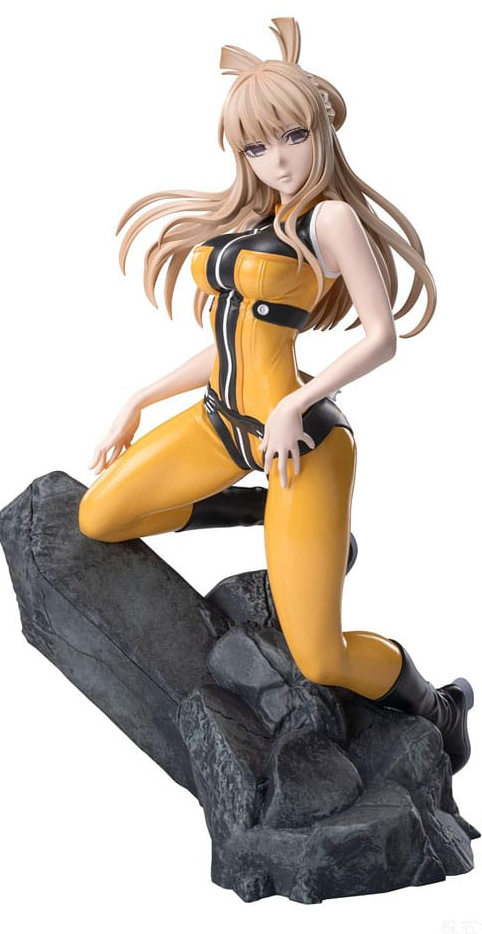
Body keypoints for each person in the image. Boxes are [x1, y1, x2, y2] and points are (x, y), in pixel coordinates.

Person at [78, 16, 473, 772]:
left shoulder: (331, 218)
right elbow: (232, 342)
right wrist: (140, 398)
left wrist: (294, 403)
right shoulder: (259, 217)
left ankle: (438, 705)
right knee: (101, 515)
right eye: (256, 147)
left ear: (321, 131)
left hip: (301, 444)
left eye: (292, 137)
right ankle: (263, 512)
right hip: (221, 421)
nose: (278, 160)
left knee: (320, 657)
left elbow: (382, 337)